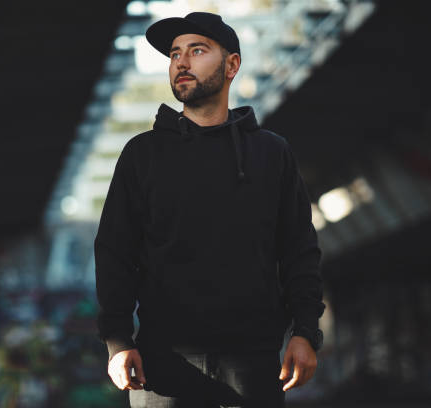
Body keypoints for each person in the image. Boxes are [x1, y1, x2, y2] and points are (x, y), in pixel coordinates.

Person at [94, 11, 326, 407]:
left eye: (197, 50)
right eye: (174, 54)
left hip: (253, 363)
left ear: (232, 65)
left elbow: (298, 249)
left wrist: (305, 332)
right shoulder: (142, 155)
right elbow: (115, 253)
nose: (181, 62)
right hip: (162, 366)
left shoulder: (271, 153)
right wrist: (118, 341)